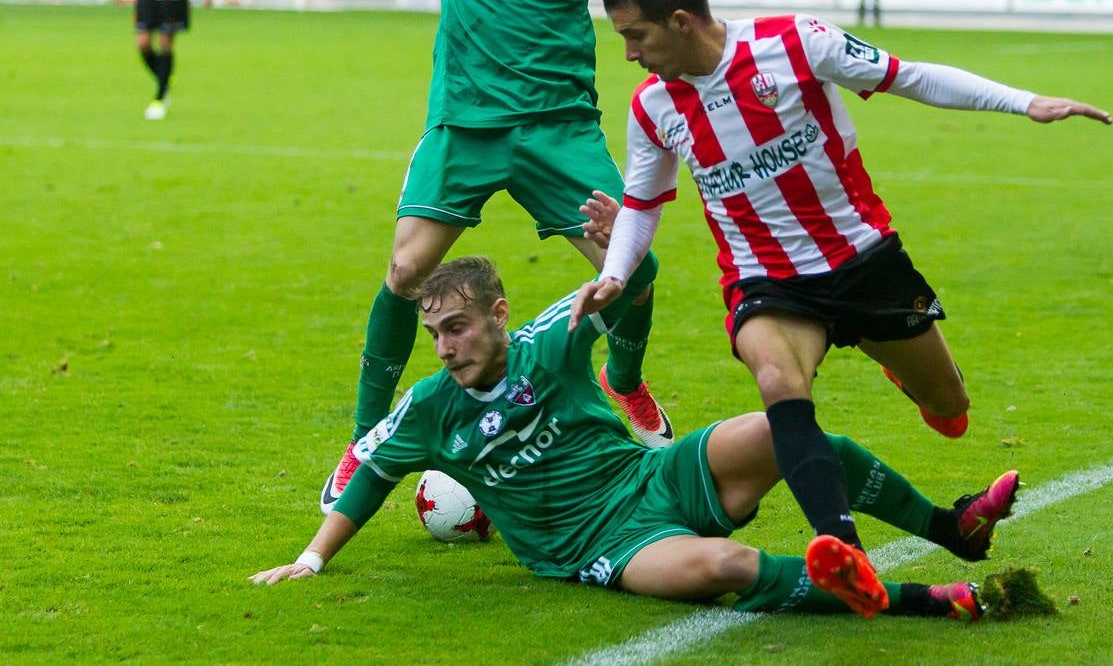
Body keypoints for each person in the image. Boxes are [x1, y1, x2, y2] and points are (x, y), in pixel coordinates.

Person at [568, 0, 1111, 615]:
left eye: (635, 35)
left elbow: (911, 77)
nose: (628, 53)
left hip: (862, 259)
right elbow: (643, 202)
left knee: (949, 410)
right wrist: (616, 273)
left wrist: (1025, 102)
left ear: (680, 21)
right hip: (767, 281)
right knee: (779, 382)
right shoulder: (654, 107)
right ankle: (842, 549)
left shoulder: (794, 43)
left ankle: (899, 370)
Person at [250, 253, 1021, 622]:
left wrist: (616, 260)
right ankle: (920, 602)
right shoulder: (429, 407)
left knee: (789, 430)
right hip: (598, 545)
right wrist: (312, 559)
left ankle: (950, 528)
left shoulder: (549, 342)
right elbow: (373, 473)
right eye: (435, 335)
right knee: (725, 566)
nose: (446, 347)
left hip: (651, 478)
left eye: (457, 327)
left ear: (497, 315)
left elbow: (633, 286)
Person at [304, 0, 672, 516]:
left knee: (636, 266)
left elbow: (636, 10)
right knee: (405, 271)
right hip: (465, 127)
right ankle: (366, 438)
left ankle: (624, 380)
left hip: (559, 131)